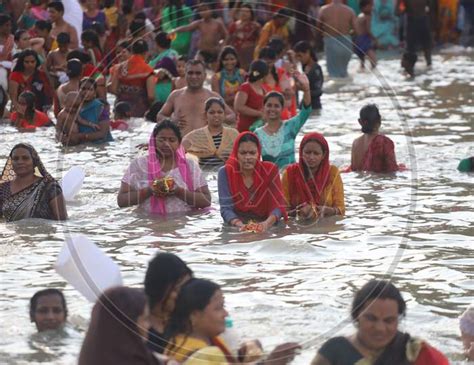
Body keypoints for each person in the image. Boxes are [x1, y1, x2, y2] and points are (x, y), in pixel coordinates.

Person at [311, 280, 450, 365]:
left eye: (389, 320)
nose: (380, 328)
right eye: (371, 318)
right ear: (356, 316)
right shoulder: (335, 352)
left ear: (398, 319)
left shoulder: (415, 353)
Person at [117, 120, 211, 215]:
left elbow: (206, 201)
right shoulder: (139, 164)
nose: (166, 144)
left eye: (172, 140)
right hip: (148, 224)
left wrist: (179, 192)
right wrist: (149, 190)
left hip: (182, 225)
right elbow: (121, 201)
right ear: (153, 141)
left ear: (179, 143)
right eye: (161, 140)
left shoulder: (190, 165)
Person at [218, 132, 287, 232]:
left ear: (258, 153)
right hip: (236, 226)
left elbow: (278, 206)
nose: (247, 157)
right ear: (236, 153)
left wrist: (266, 224)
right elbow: (226, 209)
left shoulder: (270, 170)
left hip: (268, 224)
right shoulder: (225, 173)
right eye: (243, 153)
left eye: (252, 153)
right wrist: (240, 226)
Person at [78, 286, 160, 365]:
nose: (149, 325)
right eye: (145, 319)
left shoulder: (92, 354)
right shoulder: (132, 361)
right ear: (129, 323)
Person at [156, 60, 235, 136]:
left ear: (204, 75)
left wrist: (217, 118)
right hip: (181, 146)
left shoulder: (213, 96)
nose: (194, 76)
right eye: (190, 73)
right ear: (185, 74)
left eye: (198, 73)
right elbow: (160, 115)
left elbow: (232, 116)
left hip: (206, 146)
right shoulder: (176, 95)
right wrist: (171, 121)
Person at [254, 74, 312, 169]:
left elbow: (306, 112)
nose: (272, 109)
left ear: (282, 109)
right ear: (264, 108)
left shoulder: (290, 126)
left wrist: (306, 90)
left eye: (276, 106)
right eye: (269, 105)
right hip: (270, 180)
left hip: (291, 178)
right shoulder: (257, 134)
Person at [282, 133, 345, 221]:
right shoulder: (289, 174)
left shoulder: (333, 173)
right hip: (298, 227)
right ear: (301, 152)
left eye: (316, 153)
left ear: (323, 155)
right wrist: (296, 212)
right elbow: (281, 211)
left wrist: (331, 211)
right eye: (307, 152)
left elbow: (341, 209)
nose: (311, 157)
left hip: (326, 228)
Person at [0, 143, 67, 222]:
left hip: (42, 233)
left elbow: (63, 222)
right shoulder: (3, 189)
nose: (20, 162)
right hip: (13, 234)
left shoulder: (50, 187)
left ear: (34, 161)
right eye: (15, 158)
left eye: (25, 158)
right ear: (11, 162)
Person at [144, 252, 193, 354]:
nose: (183, 295)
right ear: (159, 288)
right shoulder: (137, 322)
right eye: (177, 289)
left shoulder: (186, 319)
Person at [183, 97, 239, 168]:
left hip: (227, 175)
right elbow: (181, 153)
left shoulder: (233, 134)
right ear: (205, 115)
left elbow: (240, 156)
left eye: (220, 112)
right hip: (203, 175)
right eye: (212, 112)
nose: (216, 115)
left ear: (224, 115)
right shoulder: (196, 136)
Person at [171, 1, 228, 68]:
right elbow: (187, 27)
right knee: (197, 66)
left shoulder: (217, 23)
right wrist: (175, 30)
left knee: (215, 73)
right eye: (201, 11)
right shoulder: (199, 23)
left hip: (214, 52)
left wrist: (222, 46)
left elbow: (226, 35)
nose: (203, 12)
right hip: (202, 52)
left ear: (211, 10)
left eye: (206, 9)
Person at [60, 78, 113, 146]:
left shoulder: (101, 108)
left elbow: (103, 133)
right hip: (81, 147)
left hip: (100, 146)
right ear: (78, 90)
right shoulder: (72, 107)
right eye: (83, 89)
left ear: (94, 93)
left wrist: (79, 136)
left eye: (90, 90)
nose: (86, 92)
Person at [110, 39, 155, 118]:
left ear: (132, 51)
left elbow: (113, 89)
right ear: (145, 53)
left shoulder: (119, 67)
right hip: (139, 111)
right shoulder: (148, 70)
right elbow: (151, 96)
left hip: (120, 109)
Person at [350, 104, 399, 173]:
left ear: (360, 122)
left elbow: (353, 169)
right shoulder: (384, 142)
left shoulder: (355, 143)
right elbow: (392, 171)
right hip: (378, 183)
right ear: (379, 120)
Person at [317, 0, 357, 78]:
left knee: (333, 74)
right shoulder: (349, 10)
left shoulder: (324, 9)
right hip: (346, 41)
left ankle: (335, 89)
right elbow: (356, 29)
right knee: (344, 73)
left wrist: (322, 34)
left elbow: (318, 26)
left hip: (330, 40)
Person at [397, 0, 432, 77]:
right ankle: (408, 70)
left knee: (427, 47)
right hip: (412, 21)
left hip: (423, 20)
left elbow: (430, 7)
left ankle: (429, 66)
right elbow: (398, 11)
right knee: (410, 50)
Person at [233, 59, 267, 132]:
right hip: (244, 129)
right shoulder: (246, 87)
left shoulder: (264, 90)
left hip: (258, 129)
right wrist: (259, 113)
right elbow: (238, 107)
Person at [227, 3, 261, 70]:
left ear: (251, 14)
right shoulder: (233, 25)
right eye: (242, 11)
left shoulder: (256, 26)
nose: (244, 13)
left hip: (250, 56)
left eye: (247, 12)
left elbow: (260, 41)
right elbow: (228, 39)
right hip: (236, 56)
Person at [293, 41, 324, 110]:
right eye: (297, 56)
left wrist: (303, 89)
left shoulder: (316, 69)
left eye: (300, 56)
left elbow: (318, 91)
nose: (299, 59)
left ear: (308, 52)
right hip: (305, 104)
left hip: (314, 106)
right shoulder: (305, 67)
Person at [354, 0, 377, 69]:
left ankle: (362, 68)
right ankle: (374, 69)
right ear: (364, 7)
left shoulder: (359, 15)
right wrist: (375, 39)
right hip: (364, 38)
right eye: (370, 6)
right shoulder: (367, 17)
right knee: (373, 60)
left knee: (362, 60)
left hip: (358, 39)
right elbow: (368, 30)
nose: (372, 8)